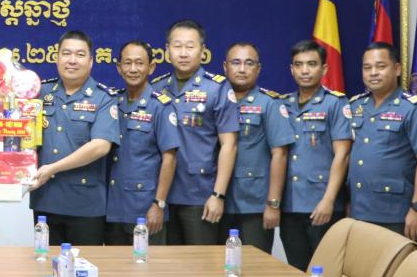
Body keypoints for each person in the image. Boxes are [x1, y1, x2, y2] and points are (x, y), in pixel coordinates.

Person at [30, 30, 119, 246]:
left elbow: (100, 146)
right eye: (66, 53)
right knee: (45, 263)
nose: (72, 60)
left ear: (91, 61)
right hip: (46, 201)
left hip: (85, 205)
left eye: (80, 55)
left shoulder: (103, 98)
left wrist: (53, 168)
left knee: (84, 265)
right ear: (57, 58)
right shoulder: (40, 93)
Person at [153, 20, 238, 245]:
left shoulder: (217, 88)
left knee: (200, 262)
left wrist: (218, 195)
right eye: (177, 46)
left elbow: (229, 145)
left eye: (190, 47)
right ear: (167, 50)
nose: (183, 53)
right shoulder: (157, 88)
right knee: (164, 262)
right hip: (160, 196)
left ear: (203, 51)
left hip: (200, 195)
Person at [347, 42, 417, 240]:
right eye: (367, 67)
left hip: (396, 213)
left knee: (396, 261)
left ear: (397, 69)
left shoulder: (413, 109)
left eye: (380, 66)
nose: (373, 73)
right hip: (359, 210)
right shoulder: (355, 106)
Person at [280, 40, 351, 271]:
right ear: (291, 69)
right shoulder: (283, 105)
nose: (305, 70)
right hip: (290, 205)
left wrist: (328, 200)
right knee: (297, 271)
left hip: (322, 204)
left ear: (324, 69)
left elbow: (343, 155)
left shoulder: (335, 103)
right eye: (298, 65)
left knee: (325, 274)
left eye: (311, 64)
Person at [220, 43, 294, 253]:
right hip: (219, 202)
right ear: (225, 67)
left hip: (254, 204)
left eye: (249, 63)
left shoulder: (269, 103)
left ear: (258, 69)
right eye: (236, 63)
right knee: (217, 265)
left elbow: (280, 154)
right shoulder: (217, 100)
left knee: (255, 266)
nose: (242, 69)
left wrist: (273, 204)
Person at [105, 40, 179, 246]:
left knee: (148, 265)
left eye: (139, 63)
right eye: (127, 63)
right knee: (114, 265)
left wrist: (159, 204)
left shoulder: (161, 106)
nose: (133, 69)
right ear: (119, 67)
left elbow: (170, 158)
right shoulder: (113, 102)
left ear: (151, 67)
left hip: (145, 209)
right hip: (113, 208)